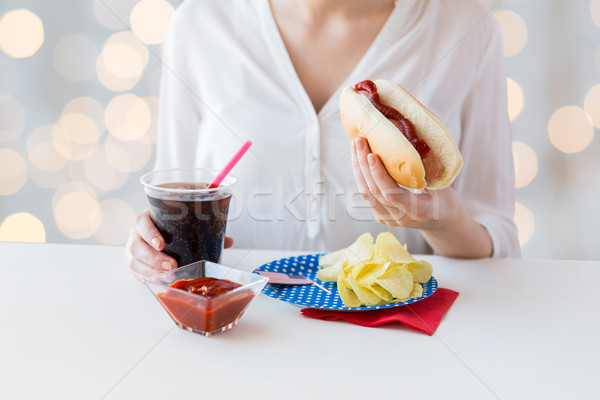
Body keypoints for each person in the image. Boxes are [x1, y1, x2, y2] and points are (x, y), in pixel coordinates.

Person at [126, 0, 521, 280]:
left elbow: (498, 240)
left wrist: (439, 219)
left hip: (399, 343)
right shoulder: (200, 23)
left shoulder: (466, 25)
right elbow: (173, 198)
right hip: (240, 331)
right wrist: (153, 246)